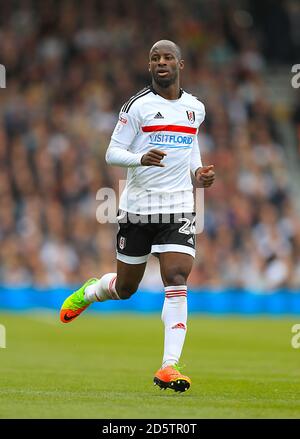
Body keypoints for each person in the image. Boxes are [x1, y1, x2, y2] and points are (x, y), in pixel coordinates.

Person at [60, 40, 215, 392]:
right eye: (155, 58)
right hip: (138, 210)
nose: (161, 62)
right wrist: (140, 158)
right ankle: (91, 291)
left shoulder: (195, 108)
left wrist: (198, 175)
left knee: (176, 276)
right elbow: (112, 152)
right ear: (149, 66)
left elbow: (191, 148)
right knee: (126, 287)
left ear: (181, 64)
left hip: (178, 206)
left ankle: (168, 366)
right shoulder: (138, 106)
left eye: (167, 57)